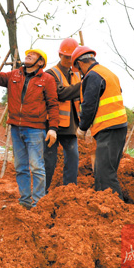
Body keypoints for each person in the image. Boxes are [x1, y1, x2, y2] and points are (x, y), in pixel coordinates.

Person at [0, 44, 59, 209]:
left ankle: (39, 203)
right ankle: (25, 201)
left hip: (35, 129)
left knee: (36, 166)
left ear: (40, 63)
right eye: (28, 53)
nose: (29, 55)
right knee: (20, 167)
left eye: (34, 54)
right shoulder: (14, 74)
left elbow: (53, 105)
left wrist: (53, 128)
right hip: (15, 128)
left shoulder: (47, 79)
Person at [71, 46, 128, 199]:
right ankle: (105, 206)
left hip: (109, 128)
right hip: (118, 127)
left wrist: (82, 128)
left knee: (104, 173)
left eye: (78, 70)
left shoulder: (92, 76)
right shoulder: (107, 73)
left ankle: (114, 211)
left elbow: (89, 105)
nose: (80, 73)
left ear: (79, 64)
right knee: (106, 170)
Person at [44, 38, 82, 191]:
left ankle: (70, 190)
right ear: (60, 55)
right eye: (66, 57)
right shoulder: (50, 74)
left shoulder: (78, 75)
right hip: (52, 125)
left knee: (73, 157)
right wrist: (84, 85)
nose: (69, 60)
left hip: (71, 125)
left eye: (72, 58)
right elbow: (60, 93)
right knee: (49, 160)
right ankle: (42, 191)